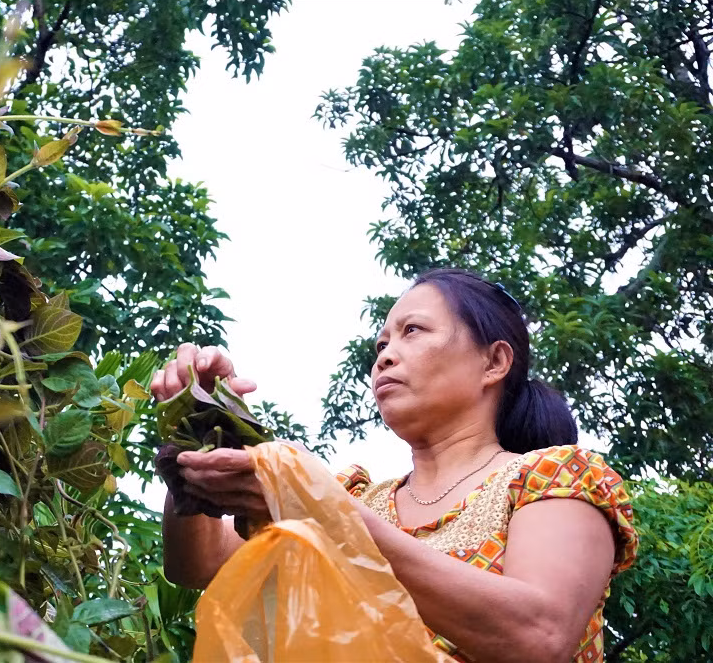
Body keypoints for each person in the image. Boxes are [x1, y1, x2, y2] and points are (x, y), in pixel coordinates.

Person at [151, 269, 637, 663]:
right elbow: (199, 564)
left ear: (494, 362)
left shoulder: (554, 476)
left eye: (412, 331)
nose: (385, 357)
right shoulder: (357, 496)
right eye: (380, 345)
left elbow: (539, 636)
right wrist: (197, 427)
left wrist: (327, 514)